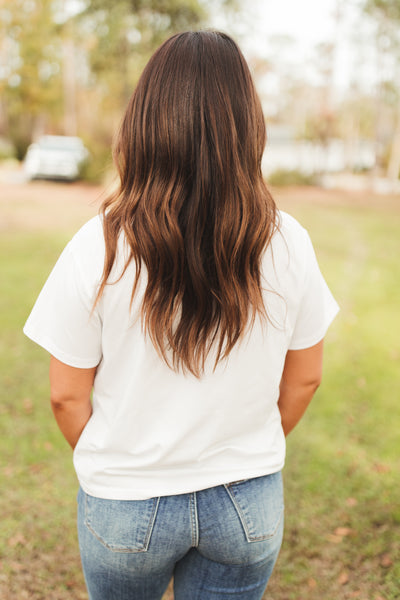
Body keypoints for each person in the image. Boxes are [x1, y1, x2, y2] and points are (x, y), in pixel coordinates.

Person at [24, 31, 339, 600]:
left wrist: (120, 457)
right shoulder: (288, 241)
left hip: (125, 504)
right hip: (247, 501)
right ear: (247, 125)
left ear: (145, 121)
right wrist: (249, 443)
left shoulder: (99, 245)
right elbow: (307, 375)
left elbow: (66, 396)